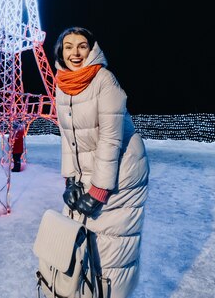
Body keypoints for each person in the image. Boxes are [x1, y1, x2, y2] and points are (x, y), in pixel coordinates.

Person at [54, 26, 149, 298]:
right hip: (91, 172)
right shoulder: (62, 84)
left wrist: (98, 190)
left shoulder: (104, 80)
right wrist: (70, 179)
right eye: (69, 46)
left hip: (122, 172)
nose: (75, 52)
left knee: (110, 248)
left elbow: (110, 138)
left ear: (92, 50)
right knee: (79, 241)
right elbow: (67, 137)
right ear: (61, 51)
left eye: (82, 45)